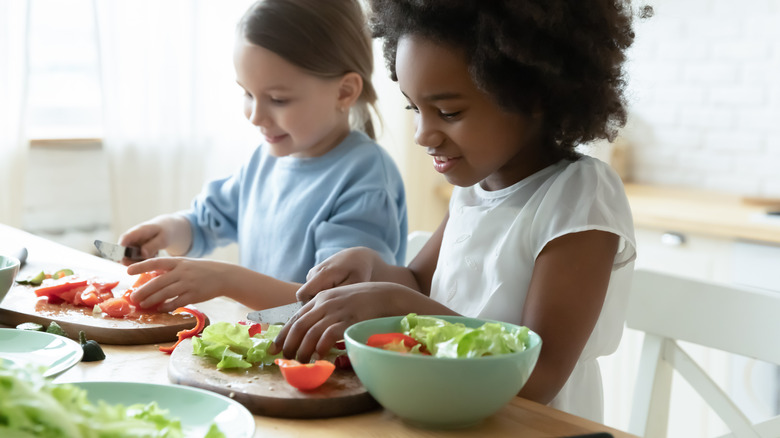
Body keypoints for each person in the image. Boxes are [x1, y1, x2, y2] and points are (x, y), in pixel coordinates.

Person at [271, 0, 647, 423]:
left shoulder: (578, 195)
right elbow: (417, 281)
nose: (422, 134)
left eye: (449, 112)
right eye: (415, 109)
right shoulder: (474, 187)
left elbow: (539, 376)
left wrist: (397, 303)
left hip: (531, 426)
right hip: (449, 414)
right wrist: (373, 268)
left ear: (533, 96)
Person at [120, 0, 407, 313]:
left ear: (344, 92)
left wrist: (225, 280)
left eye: (277, 99)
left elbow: (337, 306)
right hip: (263, 352)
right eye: (247, 93)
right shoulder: (264, 160)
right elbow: (205, 223)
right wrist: (166, 230)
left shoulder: (365, 178)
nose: (255, 116)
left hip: (323, 360)